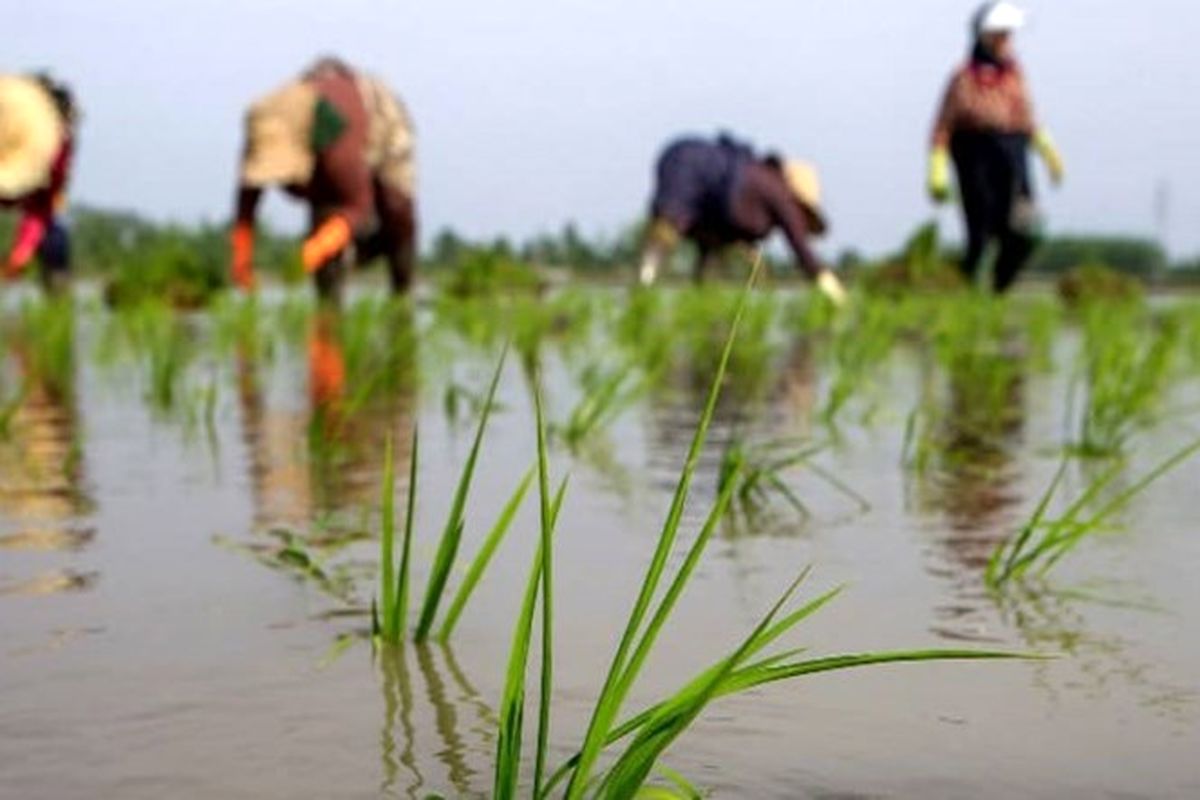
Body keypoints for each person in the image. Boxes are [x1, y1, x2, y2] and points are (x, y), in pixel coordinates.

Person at [230, 57, 416, 301]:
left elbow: (359, 204)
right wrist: (241, 261)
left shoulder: (337, 142)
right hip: (325, 163)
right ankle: (328, 316)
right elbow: (246, 205)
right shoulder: (264, 126)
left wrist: (312, 251)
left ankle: (401, 298)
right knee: (326, 219)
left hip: (377, 122)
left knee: (396, 210)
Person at [927, 2, 1065, 293]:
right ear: (984, 37)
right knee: (981, 232)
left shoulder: (1015, 75)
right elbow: (943, 127)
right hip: (974, 153)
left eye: (1009, 35)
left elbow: (1029, 119)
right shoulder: (963, 77)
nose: (1007, 42)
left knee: (1023, 229)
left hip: (1013, 152)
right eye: (1000, 35)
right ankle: (969, 290)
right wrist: (936, 170)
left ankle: (999, 289)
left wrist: (1049, 153)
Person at [636, 133, 847, 305]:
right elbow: (804, 254)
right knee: (664, 237)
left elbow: (712, 239)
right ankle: (642, 294)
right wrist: (838, 297)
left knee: (698, 253)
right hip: (688, 167)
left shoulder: (760, 183)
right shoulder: (780, 195)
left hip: (693, 177)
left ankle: (689, 304)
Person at [0, 74, 77, 293]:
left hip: (37, 209)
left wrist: (20, 254)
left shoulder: (57, 152)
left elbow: (42, 208)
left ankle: (56, 302)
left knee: (56, 239)